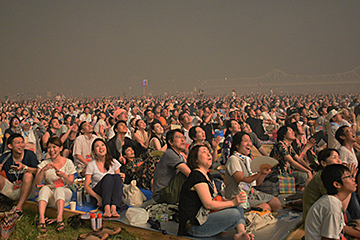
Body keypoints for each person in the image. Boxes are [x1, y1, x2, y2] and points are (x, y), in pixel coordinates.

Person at [178, 145, 254, 240]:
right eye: (204, 152)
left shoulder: (208, 176)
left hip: (205, 217)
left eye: (208, 151)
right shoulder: (196, 176)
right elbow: (208, 204)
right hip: (194, 225)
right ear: (196, 159)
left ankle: (241, 233)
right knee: (234, 214)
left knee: (238, 206)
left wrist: (232, 202)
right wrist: (231, 203)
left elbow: (216, 198)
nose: (208, 154)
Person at [225, 132, 281, 211]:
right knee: (266, 207)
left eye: (250, 141)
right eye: (245, 141)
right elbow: (241, 179)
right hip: (238, 195)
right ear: (237, 145)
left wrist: (264, 174)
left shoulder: (248, 160)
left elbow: (257, 183)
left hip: (251, 193)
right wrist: (260, 173)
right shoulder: (233, 159)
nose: (249, 144)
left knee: (276, 204)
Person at [34, 137, 76, 233]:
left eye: (54, 147)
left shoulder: (68, 162)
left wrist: (64, 175)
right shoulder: (44, 163)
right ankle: (41, 219)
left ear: (60, 148)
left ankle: (59, 219)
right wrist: (43, 170)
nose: (51, 150)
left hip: (64, 194)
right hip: (49, 196)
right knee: (44, 188)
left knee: (59, 188)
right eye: (49, 147)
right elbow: (37, 182)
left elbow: (70, 182)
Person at [305, 164, 357, 240]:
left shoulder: (334, 201)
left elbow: (342, 227)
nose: (353, 179)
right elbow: (328, 238)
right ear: (337, 184)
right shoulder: (331, 206)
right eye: (349, 176)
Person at [84, 138, 126, 218]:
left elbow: (118, 183)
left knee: (117, 176)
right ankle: (106, 208)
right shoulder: (91, 164)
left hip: (112, 196)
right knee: (108, 177)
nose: (101, 148)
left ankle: (113, 208)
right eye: (97, 146)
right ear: (94, 151)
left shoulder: (113, 162)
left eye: (102, 145)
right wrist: (98, 198)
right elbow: (86, 187)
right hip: (98, 194)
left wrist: (122, 178)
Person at [0, 134, 38, 215]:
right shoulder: (6, 157)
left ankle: (19, 208)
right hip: (12, 188)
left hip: (28, 189)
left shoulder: (30, 155)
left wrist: (25, 168)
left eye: (22, 142)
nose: (21, 145)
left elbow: (38, 171)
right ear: (10, 146)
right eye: (18, 143)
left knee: (28, 175)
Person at [152, 129, 190, 204]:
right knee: (185, 174)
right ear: (170, 142)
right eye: (179, 137)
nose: (183, 140)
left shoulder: (178, 155)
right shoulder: (170, 154)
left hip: (169, 190)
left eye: (183, 138)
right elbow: (188, 172)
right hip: (162, 194)